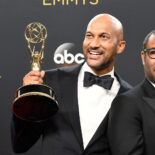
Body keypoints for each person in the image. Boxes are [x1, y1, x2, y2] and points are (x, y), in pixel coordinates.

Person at [11, 13, 132, 155]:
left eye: (103, 37)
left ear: (120, 46)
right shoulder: (50, 81)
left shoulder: (129, 98)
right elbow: (20, 144)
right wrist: (27, 98)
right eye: (89, 36)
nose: (93, 44)